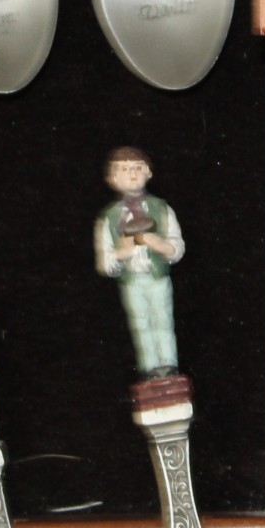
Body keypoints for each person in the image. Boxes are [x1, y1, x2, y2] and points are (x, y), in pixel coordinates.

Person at [93, 146, 184, 376]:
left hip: (157, 276)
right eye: (124, 170)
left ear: (148, 173)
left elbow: (177, 246)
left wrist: (161, 245)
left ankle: (168, 365)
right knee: (140, 323)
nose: (132, 174)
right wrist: (120, 253)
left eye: (137, 168)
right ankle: (150, 368)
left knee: (163, 319)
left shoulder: (161, 209)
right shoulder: (108, 217)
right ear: (112, 178)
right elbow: (104, 263)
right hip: (131, 281)